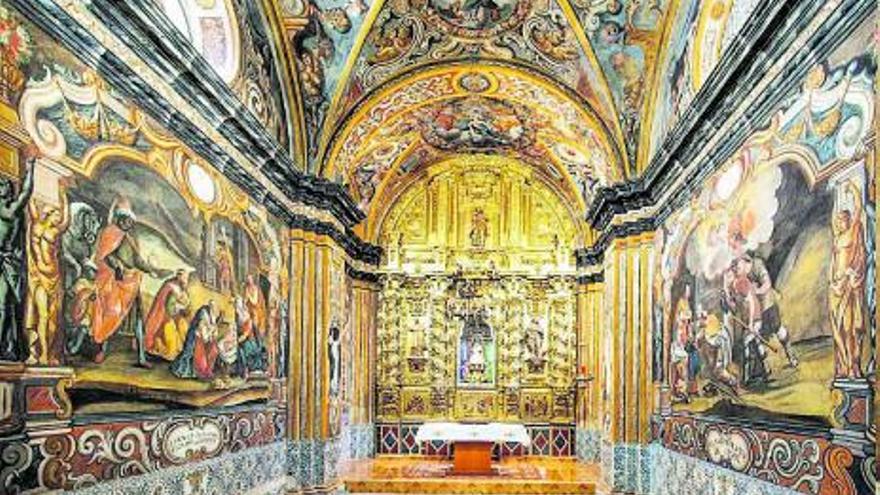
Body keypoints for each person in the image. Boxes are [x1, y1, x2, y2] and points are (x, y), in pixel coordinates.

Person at [91, 197, 169, 368]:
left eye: (131, 221)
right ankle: (101, 350)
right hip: (113, 284)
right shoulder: (110, 233)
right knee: (111, 316)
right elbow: (104, 255)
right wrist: (116, 265)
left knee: (139, 320)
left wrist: (154, 270)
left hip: (131, 284)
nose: (129, 223)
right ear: (120, 218)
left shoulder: (129, 239)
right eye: (126, 220)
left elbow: (138, 260)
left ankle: (141, 357)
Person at [830, 182, 867, 379]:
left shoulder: (853, 231)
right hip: (836, 287)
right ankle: (843, 364)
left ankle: (853, 365)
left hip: (848, 286)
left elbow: (859, 207)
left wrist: (852, 188)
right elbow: (833, 262)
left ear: (848, 219)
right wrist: (832, 281)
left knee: (850, 327)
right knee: (838, 328)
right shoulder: (837, 239)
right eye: (837, 221)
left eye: (842, 219)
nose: (839, 223)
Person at [0, 158, 33, 361]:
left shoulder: (11, 210)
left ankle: (4, 346)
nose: (1, 186)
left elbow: (26, 193)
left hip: (5, 262)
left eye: (4, 183)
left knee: (3, 304)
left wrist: (30, 168)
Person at [145, 270, 191, 361]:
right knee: (170, 331)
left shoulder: (182, 288)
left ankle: (182, 351)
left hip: (177, 316)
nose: (186, 280)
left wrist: (185, 308)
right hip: (166, 317)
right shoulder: (170, 286)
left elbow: (187, 305)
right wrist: (179, 307)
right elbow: (168, 306)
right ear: (179, 276)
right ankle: (167, 352)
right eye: (185, 277)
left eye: (187, 278)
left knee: (184, 327)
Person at [171, 300, 220, 380]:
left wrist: (212, 332)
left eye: (215, 308)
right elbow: (201, 329)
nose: (215, 309)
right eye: (213, 307)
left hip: (207, 338)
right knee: (199, 359)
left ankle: (208, 371)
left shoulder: (213, 315)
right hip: (197, 337)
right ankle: (200, 372)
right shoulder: (203, 314)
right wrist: (209, 333)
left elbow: (213, 328)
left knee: (214, 350)